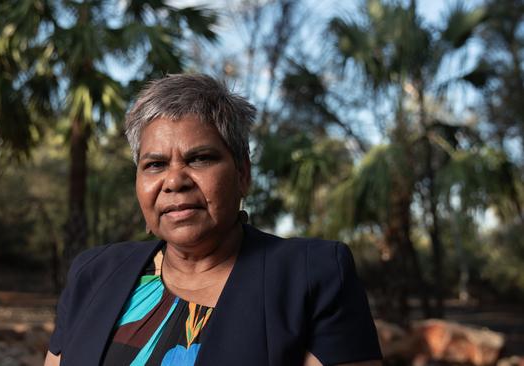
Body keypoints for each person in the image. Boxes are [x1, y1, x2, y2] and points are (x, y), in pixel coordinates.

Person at [44, 74, 382, 366]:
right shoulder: (95, 273)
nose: (175, 180)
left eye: (200, 158)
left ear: (242, 174)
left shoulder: (311, 277)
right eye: (155, 165)